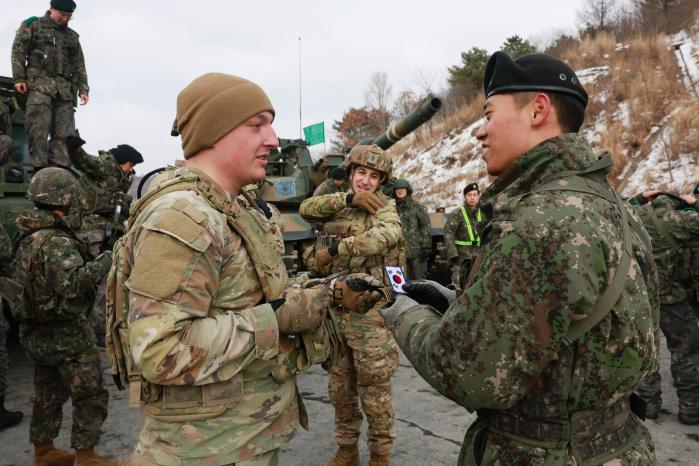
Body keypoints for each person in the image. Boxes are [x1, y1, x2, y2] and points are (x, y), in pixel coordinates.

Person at [381, 52, 660, 465]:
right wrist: (456, 303)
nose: (479, 132)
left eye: (489, 114)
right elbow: (570, 332)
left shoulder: (537, 222)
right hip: (618, 445)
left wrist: (400, 310)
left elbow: (465, 371)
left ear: (538, 110)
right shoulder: (614, 206)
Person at [115, 73, 331, 466]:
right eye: (256, 125)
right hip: (204, 451)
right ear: (214, 132)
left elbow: (244, 294)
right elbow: (160, 349)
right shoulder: (184, 218)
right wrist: (278, 320)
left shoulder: (231, 207)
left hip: (238, 438)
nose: (273, 139)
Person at [299, 144, 404, 466]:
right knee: (340, 388)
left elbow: (384, 236)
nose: (366, 181)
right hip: (335, 316)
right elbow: (306, 208)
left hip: (370, 316)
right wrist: (347, 199)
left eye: (374, 176)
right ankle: (346, 449)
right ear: (350, 175)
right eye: (361, 173)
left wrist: (333, 251)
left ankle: (380, 455)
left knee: (375, 389)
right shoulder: (337, 206)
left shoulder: (385, 208)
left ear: (381, 181)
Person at [10, 167, 115, 465]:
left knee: (47, 394)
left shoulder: (27, 233)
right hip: (66, 333)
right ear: (64, 200)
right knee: (90, 395)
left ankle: (43, 451)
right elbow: (72, 283)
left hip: (35, 333)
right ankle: (86, 456)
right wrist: (107, 259)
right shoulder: (56, 241)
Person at [65, 136, 142, 345]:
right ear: (122, 160)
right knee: (98, 282)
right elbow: (82, 160)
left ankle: (96, 326)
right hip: (92, 233)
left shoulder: (120, 177)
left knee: (102, 282)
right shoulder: (103, 166)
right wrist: (74, 145)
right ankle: (94, 328)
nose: (131, 169)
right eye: (130, 164)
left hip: (108, 232)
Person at [634, 191, 699, 424]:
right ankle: (690, 409)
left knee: (645, 351)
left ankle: (648, 404)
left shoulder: (638, 214)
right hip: (673, 299)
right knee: (687, 350)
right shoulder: (679, 221)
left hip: (641, 298)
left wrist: (642, 197)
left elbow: (623, 204)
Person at [11, 0, 89, 171]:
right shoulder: (33, 25)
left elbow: (79, 65)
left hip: (64, 91)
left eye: (69, 16)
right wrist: (19, 79)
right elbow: (18, 52)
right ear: (51, 9)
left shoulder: (72, 36)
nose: (66, 19)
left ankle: (59, 170)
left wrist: (83, 89)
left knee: (64, 134)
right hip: (39, 86)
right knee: (38, 129)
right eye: (62, 15)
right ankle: (39, 170)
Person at [443, 183, 483, 288]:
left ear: (478, 196)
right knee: (458, 287)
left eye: (475, 195)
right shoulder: (457, 213)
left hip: (479, 257)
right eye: (469, 195)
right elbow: (448, 234)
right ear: (465, 197)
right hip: (461, 259)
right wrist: (453, 255)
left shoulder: (483, 213)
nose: (472, 198)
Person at [393, 178, 431, 280]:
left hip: (416, 252)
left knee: (419, 280)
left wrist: (426, 246)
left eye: (402, 189)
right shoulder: (391, 208)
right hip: (397, 252)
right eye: (397, 189)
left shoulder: (416, 206)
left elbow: (425, 226)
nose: (400, 191)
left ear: (407, 191)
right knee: (400, 281)